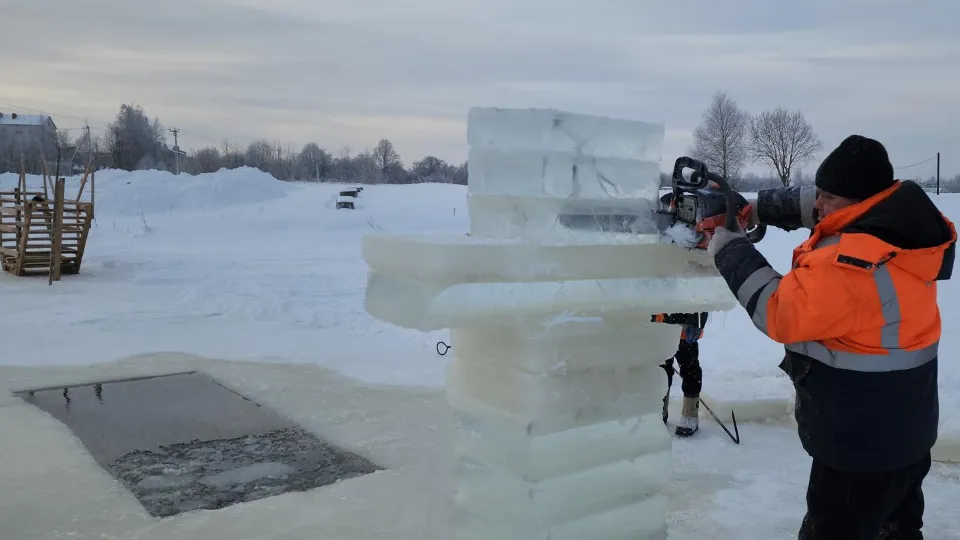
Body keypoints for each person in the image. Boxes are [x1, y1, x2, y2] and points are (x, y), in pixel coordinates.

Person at [706, 135, 957, 540]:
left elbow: (780, 312)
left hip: (859, 450)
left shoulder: (851, 265)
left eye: (827, 197)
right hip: (906, 436)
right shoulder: (905, 229)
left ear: (859, 201)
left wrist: (729, 248)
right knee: (897, 530)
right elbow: (834, 210)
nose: (817, 205)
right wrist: (760, 209)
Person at [652, 312, 708, 437]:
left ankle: (690, 413)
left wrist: (696, 321)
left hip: (684, 323)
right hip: (659, 323)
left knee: (689, 367)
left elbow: (700, 295)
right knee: (660, 367)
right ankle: (659, 408)